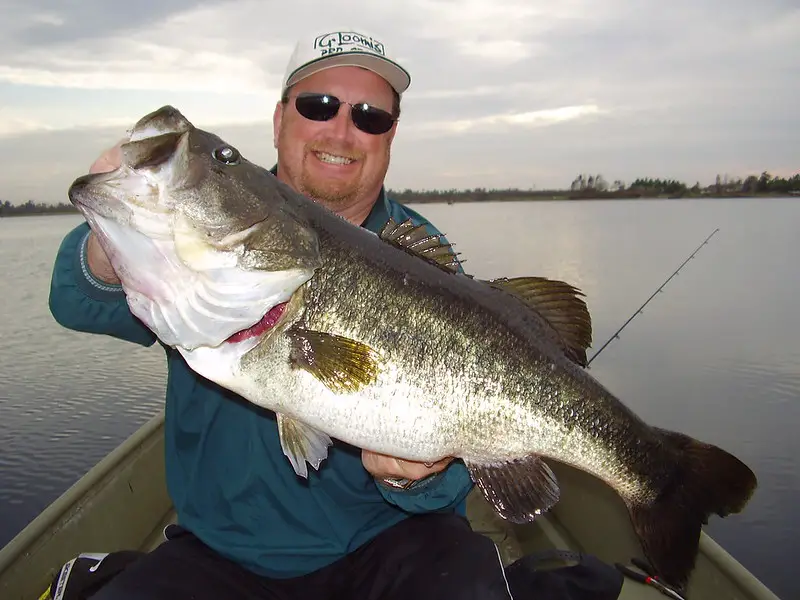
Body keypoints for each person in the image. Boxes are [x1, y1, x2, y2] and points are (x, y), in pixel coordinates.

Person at [48, 28, 515, 599]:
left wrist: (418, 480)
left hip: (386, 541)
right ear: (279, 120)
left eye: (371, 117)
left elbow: (449, 490)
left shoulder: (424, 261)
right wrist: (116, 224)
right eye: (319, 106)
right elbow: (76, 301)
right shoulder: (208, 234)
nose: (342, 131)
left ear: (391, 137)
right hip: (219, 552)